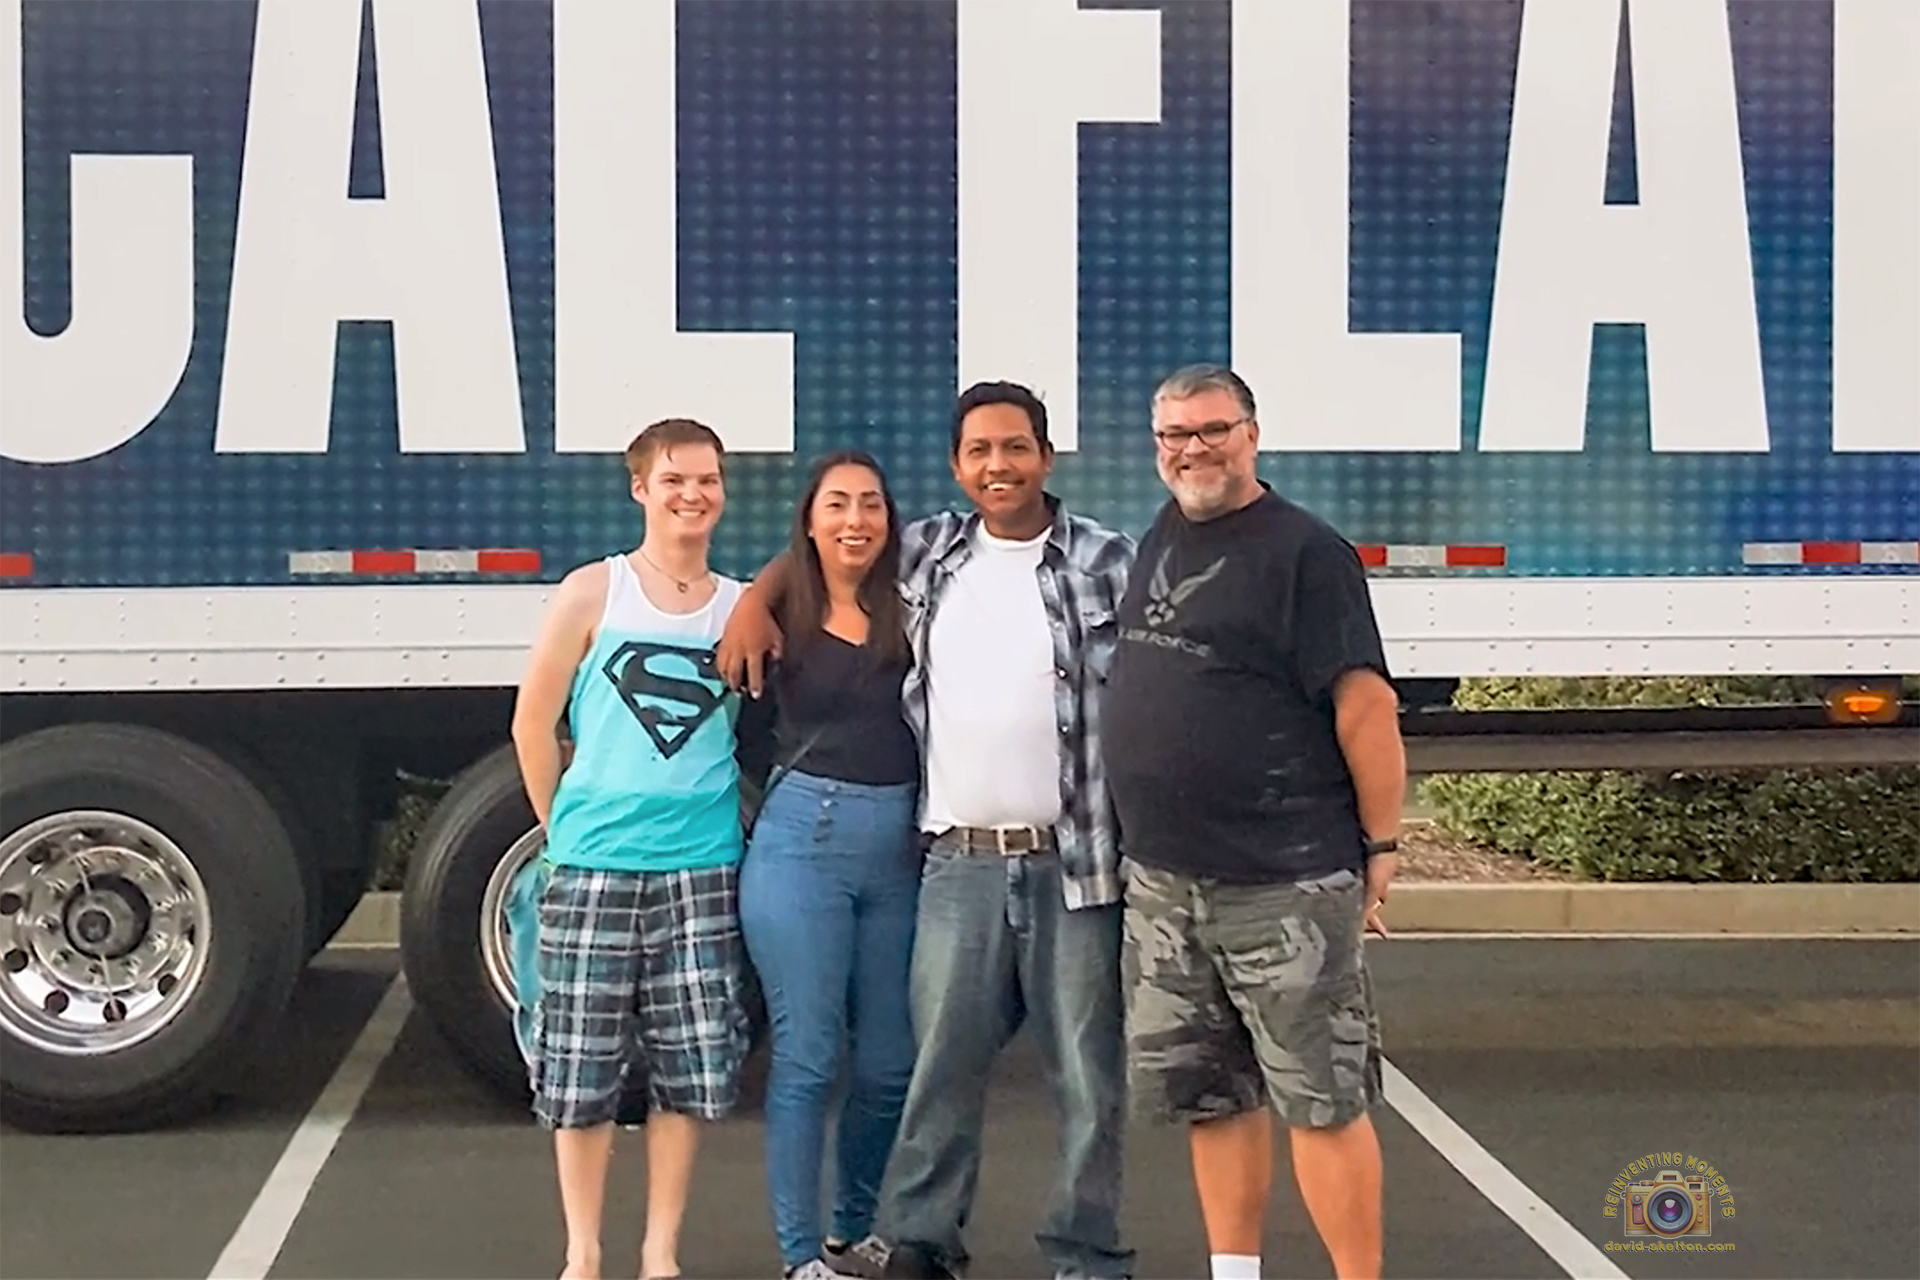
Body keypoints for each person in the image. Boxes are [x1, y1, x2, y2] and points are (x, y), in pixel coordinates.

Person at [718, 383, 1138, 1280]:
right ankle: (924, 1240)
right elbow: (824, 545)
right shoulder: (931, 551)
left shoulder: (1107, 558)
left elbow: (1162, 686)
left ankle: (1086, 1252)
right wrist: (753, 601)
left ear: (1046, 458)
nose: (999, 466)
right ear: (957, 468)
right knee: (937, 1069)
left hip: (1075, 862)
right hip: (956, 862)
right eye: (980, 451)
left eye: (1016, 448)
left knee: (1087, 1077)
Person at [1101, 364, 1406, 1280]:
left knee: (1322, 1100)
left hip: (1282, 883)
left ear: (1252, 433)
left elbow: (1365, 709)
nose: (1192, 449)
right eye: (1174, 436)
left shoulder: (1307, 553)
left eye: (1211, 430)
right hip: (1164, 881)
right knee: (1211, 1098)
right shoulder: (1163, 534)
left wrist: (1380, 849)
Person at [509, 417, 756, 1280]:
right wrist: (561, 830)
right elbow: (533, 722)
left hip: (700, 866)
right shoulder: (593, 592)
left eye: (710, 480)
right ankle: (583, 1251)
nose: (694, 495)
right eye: (676, 479)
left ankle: (661, 1252)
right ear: (640, 488)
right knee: (579, 1067)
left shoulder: (741, 606)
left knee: (688, 1069)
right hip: (593, 867)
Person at [737, 451, 925, 1280]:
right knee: (809, 1056)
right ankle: (798, 1253)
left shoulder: (915, 596)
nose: (856, 520)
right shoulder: (780, 612)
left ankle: (854, 1229)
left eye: (872, 505)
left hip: (900, 852)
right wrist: (752, 596)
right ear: (809, 520)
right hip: (800, 846)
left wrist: (759, 584)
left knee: (889, 1064)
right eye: (837, 505)